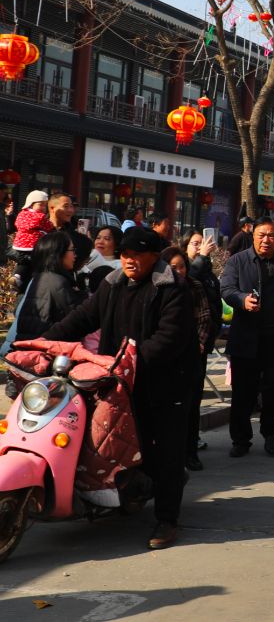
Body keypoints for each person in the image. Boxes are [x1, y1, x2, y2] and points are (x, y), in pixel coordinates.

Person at [41, 226, 196, 549]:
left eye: (136, 255)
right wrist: (47, 342)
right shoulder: (113, 286)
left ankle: (167, 520)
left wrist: (132, 361)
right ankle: (127, 494)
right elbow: (83, 318)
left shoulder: (173, 288)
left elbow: (169, 338)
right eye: (124, 255)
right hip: (118, 383)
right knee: (117, 445)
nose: (129, 261)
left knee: (164, 452)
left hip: (164, 385)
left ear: (154, 256)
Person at [219, 217, 274, 457]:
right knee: (244, 391)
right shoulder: (238, 261)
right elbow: (226, 289)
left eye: (271, 235)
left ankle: (270, 431)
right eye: (262, 235)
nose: (267, 240)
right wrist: (242, 300)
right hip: (246, 336)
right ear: (252, 236)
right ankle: (241, 439)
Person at [160, 246, 217, 471]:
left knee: (191, 405)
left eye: (181, 266)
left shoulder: (195, 286)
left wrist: (199, 343)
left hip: (192, 354)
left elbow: (205, 318)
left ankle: (190, 452)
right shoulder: (158, 287)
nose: (178, 271)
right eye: (173, 267)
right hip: (165, 356)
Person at [180, 230, 223, 468]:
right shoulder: (187, 270)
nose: (199, 247)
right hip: (179, 346)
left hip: (200, 344)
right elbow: (188, 279)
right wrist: (202, 257)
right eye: (194, 244)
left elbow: (214, 305)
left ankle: (191, 446)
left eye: (202, 244)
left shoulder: (207, 274)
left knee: (195, 397)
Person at [12, 231, 84, 341]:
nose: (75, 255)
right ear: (58, 253)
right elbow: (77, 317)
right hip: (44, 349)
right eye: (72, 250)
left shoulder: (40, 277)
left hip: (30, 346)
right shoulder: (57, 281)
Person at [11, 189, 54, 257]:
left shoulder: (22, 213)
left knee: (23, 264)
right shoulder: (40, 216)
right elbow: (49, 227)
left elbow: (17, 224)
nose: (43, 207)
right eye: (40, 205)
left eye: (45, 205)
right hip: (33, 244)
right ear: (31, 204)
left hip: (19, 243)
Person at [80, 224, 123, 292]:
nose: (100, 242)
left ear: (116, 243)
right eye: (98, 238)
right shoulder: (86, 258)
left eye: (107, 239)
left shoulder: (120, 265)